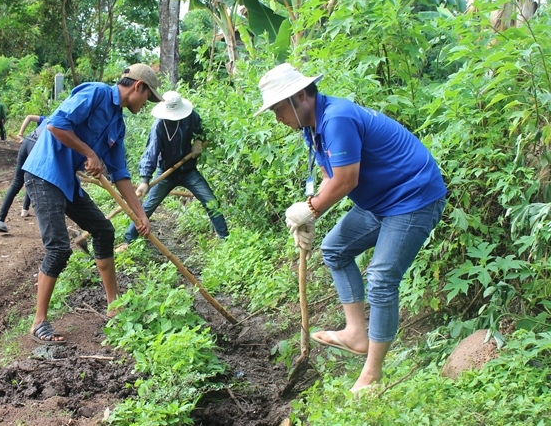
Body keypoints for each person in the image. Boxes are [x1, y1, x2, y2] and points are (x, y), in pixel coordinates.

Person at [254, 63, 447, 393]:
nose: (277, 118)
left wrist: (310, 210)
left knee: (382, 278)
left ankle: (372, 376)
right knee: (334, 249)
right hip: (381, 201)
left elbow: (346, 180)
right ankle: (357, 334)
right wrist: (310, 210)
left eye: (278, 109)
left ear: (300, 96)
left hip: (413, 196)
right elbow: (332, 173)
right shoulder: (313, 126)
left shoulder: (337, 118)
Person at [21, 63, 162, 344]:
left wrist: (140, 214)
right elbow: (56, 124)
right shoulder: (95, 93)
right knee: (59, 248)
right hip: (45, 173)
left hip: (67, 183)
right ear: (138, 87)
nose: (147, 104)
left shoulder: (118, 125)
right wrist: (89, 153)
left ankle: (114, 307)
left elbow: (120, 174)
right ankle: (39, 322)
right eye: (148, 97)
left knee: (104, 231)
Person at [118, 91, 229, 251]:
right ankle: (128, 241)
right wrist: (144, 180)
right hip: (166, 173)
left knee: (210, 201)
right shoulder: (159, 126)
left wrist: (198, 141)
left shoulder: (191, 116)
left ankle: (225, 240)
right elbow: (151, 153)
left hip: (188, 171)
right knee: (147, 207)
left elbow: (202, 129)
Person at [0, 115, 48, 233]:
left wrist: (21, 134)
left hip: (27, 141)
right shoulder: (64, 124)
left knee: (17, 182)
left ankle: (0, 220)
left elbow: (28, 117)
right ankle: (27, 210)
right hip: (36, 145)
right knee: (34, 179)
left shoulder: (48, 118)